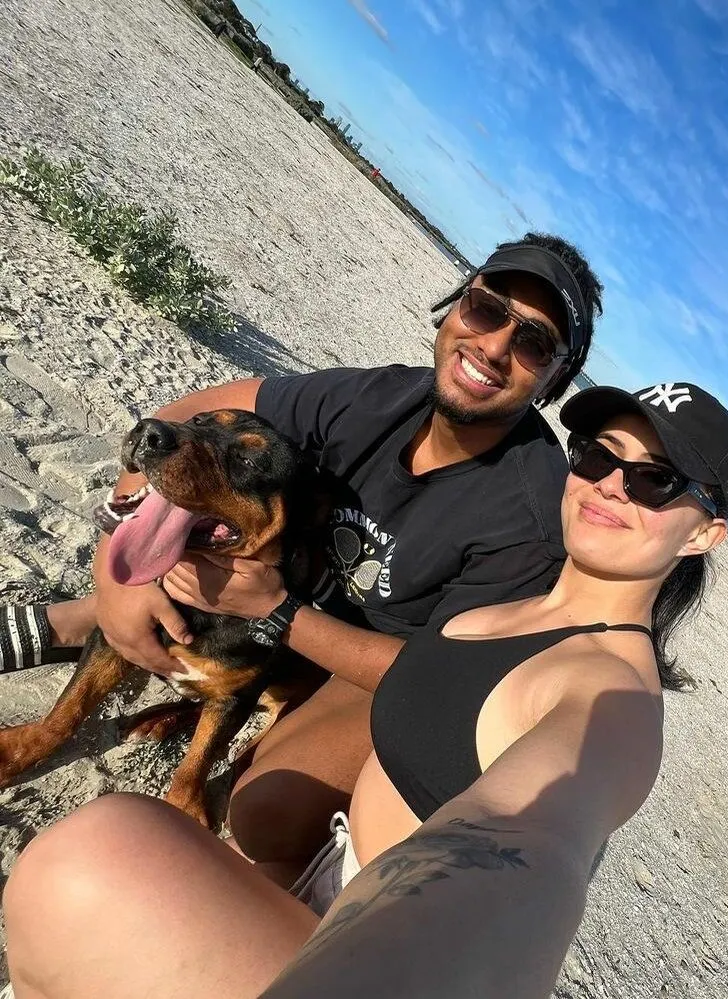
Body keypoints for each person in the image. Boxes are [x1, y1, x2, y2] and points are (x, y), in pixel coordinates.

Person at [3, 380, 728, 999]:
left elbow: (528, 847)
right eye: (597, 455)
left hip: (368, 949)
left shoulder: (612, 694)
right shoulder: (506, 608)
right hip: (316, 886)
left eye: (655, 480)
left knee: (90, 862)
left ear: (702, 534)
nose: (612, 484)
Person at [0, 232, 603, 883]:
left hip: (375, 663)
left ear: (554, 377)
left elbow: (444, 683)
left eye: (533, 342)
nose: (494, 346)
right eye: (486, 308)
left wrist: (276, 612)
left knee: (265, 809)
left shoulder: (528, 523)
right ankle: (89, 619)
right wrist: (117, 573)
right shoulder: (376, 398)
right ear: (457, 305)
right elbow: (186, 416)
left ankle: (181, 675)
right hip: (281, 588)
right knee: (156, 580)